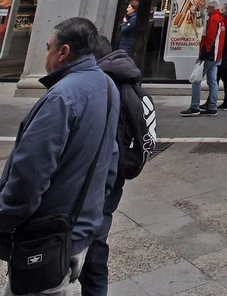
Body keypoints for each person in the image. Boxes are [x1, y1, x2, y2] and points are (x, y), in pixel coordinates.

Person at [0, 17, 118, 296]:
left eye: (48, 47)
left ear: (63, 52)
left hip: (46, 234)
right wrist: (93, 211)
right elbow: (110, 160)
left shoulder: (61, 97)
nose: (45, 55)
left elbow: (29, 174)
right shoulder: (107, 86)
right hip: (78, 231)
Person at [79, 33, 147, 296]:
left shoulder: (99, 88)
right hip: (113, 179)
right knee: (97, 247)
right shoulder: (126, 81)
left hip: (94, 180)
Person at [181, 0, 226, 117]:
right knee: (212, 81)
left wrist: (204, 53)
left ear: (212, 7)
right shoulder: (221, 20)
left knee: (196, 79)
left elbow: (210, 38)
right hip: (216, 55)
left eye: (208, 7)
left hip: (210, 55)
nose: (206, 10)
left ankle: (194, 106)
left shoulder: (214, 19)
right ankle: (212, 106)